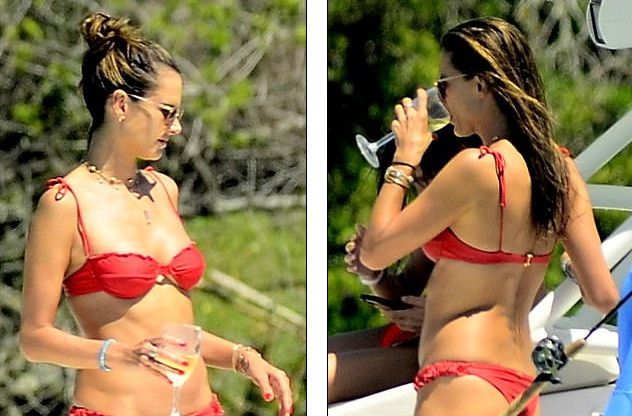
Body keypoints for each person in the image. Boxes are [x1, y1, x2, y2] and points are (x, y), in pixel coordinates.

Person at [19, 12, 293, 416]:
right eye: (167, 112)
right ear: (121, 105)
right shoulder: (65, 204)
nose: (177, 127)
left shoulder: (164, 190)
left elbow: (174, 335)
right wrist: (121, 354)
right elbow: (34, 339)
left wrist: (242, 357)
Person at [357, 17, 619, 416]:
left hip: (460, 379)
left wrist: (405, 159)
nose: (441, 97)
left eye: (445, 83)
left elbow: (375, 251)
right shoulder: (562, 171)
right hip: (519, 381)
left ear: (480, 85)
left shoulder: (475, 169)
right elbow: (603, 296)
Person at [327, 126, 482, 404]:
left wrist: (442, 319)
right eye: (418, 185)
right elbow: (406, 292)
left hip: (468, 345)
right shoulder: (442, 221)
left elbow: (522, 306)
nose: (423, 196)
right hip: (427, 335)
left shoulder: (494, 219)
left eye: (428, 182)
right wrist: (374, 276)